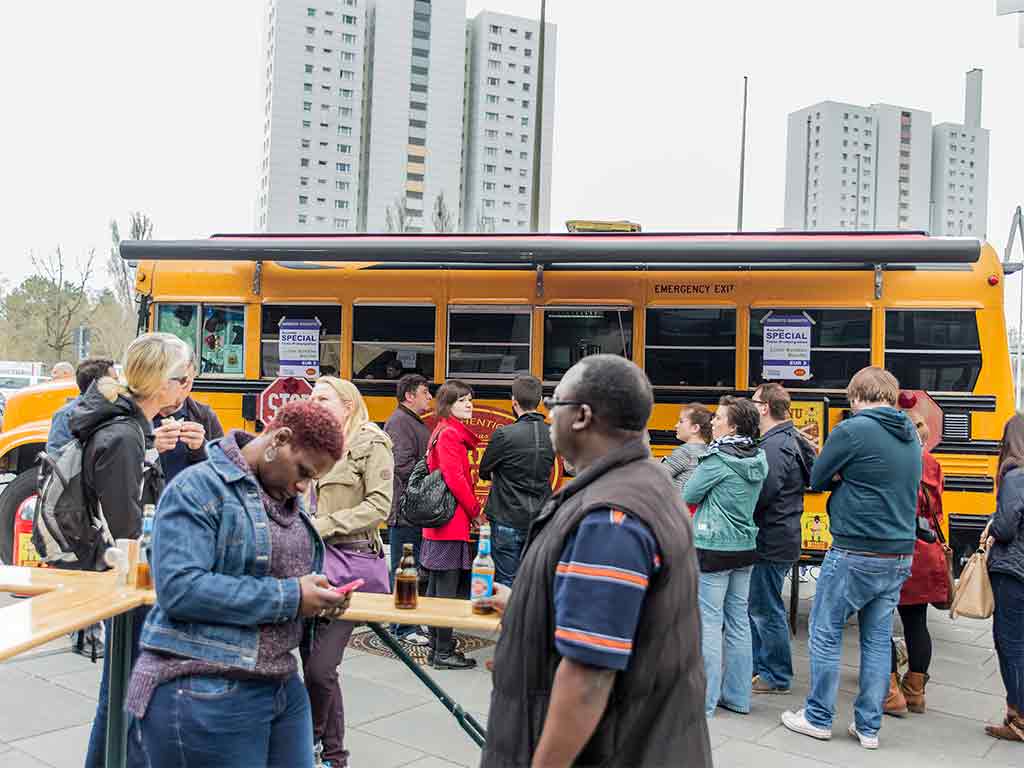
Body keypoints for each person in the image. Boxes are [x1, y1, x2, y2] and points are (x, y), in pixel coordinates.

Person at [478, 354, 712, 767]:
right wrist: (528, 607)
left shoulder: (611, 516)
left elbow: (588, 675)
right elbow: (621, 617)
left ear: (582, 416)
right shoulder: (644, 484)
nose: (550, 418)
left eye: (555, 407)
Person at [127, 400, 350, 768]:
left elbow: (276, 578)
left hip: (279, 682)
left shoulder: (284, 497)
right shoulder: (198, 488)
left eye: (311, 479)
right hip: (203, 685)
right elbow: (180, 589)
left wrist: (319, 597)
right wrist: (293, 596)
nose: (302, 486)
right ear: (279, 439)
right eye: (303, 472)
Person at [782, 366, 920, 750]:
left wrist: (828, 461)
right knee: (877, 639)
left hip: (855, 548)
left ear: (857, 396)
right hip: (897, 552)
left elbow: (819, 478)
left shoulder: (852, 429)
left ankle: (818, 716)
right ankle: (868, 727)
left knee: (825, 634)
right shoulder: (909, 432)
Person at [79, 333, 193, 768]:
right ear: (161, 383)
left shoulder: (130, 430)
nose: (187, 388)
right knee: (126, 691)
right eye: (182, 379)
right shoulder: (126, 435)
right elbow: (125, 528)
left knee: (131, 691)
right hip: (129, 584)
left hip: (131, 580)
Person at [304, 377, 394, 768]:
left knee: (320, 669)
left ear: (348, 405)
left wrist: (323, 525)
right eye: (310, 397)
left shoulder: (371, 443)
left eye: (322, 398)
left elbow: (380, 507)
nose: (314, 402)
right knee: (316, 667)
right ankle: (334, 755)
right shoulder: (315, 445)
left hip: (353, 564)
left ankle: (315, 745)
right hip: (315, 564)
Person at [683, 396, 767, 718]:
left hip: (713, 547)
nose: (712, 423)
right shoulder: (758, 458)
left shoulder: (717, 461)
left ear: (732, 425)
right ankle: (738, 696)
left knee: (708, 622)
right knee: (739, 622)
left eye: (718, 418)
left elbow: (688, 494)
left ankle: (704, 700)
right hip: (745, 548)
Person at [749, 383, 816, 695]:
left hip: (770, 537)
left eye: (754, 402)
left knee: (764, 608)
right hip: (782, 533)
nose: (750, 407)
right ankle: (760, 667)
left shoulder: (774, 446)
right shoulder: (790, 439)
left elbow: (763, 492)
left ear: (764, 408)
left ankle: (775, 674)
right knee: (763, 605)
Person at [883, 409, 947, 717]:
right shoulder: (933, 463)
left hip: (893, 543)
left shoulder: (895, 459)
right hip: (924, 547)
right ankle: (916, 691)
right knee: (916, 623)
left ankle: (890, 689)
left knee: (878, 620)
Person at [422, 379, 481, 670]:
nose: (468, 404)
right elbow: (455, 478)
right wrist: (475, 509)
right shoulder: (450, 435)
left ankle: (436, 645)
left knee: (436, 584)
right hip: (450, 521)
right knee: (445, 588)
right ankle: (442, 651)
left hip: (440, 522)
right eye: (461, 400)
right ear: (448, 405)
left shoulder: (443, 431)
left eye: (470, 399)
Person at [478, 374, 555, 587]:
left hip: (506, 517)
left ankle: (507, 621)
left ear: (514, 401)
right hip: (540, 517)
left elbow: (484, 471)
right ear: (540, 402)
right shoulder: (552, 433)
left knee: (505, 582)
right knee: (535, 582)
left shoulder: (504, 435)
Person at [981, 414, 1024, 742]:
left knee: (1010, 642)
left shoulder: (1016, 476)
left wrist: (991, 527)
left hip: (1014, 570)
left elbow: (1007, 527)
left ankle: (1018, 716)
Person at [383, 374, 432, 645]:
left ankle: (406, 619)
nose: (429, 397)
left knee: (408, 567)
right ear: (409, 396)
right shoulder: (401, 423)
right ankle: (402, 626)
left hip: (411, 509)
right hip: (404, 510)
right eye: (425, 392)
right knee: (405, 568)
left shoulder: (408, 421)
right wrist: (430, 475)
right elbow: (401, 465)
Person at [151, 357, 224, 482]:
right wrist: (149, 447)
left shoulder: (204, 416)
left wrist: (201, 448)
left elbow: (224, 468)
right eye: (181, 381)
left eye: (189, 382)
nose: (184, 388)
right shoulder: (139, 415)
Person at [45, 357, 116, 455]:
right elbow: (57, 460)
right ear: (96, 385)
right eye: (114, 380)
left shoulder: (118, 411)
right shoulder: (65, 415)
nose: (118, 385)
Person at [662, 402, 712, 496]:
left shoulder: (686, 452)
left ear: (695, 428)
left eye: (681, 421)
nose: (676, 425)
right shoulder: (709, 451)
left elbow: (656, 477)